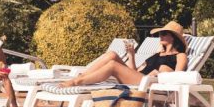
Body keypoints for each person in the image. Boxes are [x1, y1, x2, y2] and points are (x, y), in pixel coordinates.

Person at [58, 21, 188, 88]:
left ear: (174, 38)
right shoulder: (157, 54)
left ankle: (78, 81)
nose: (160, 36)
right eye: (160, 34)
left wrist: (159, 74)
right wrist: (131, 55)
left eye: (164, 34)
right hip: (139, 78)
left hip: (149, 82)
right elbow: (134, 71)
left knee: (113, 65)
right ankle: (81, 76)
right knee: (112, 55)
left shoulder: (180, 55)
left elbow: (178, 77)